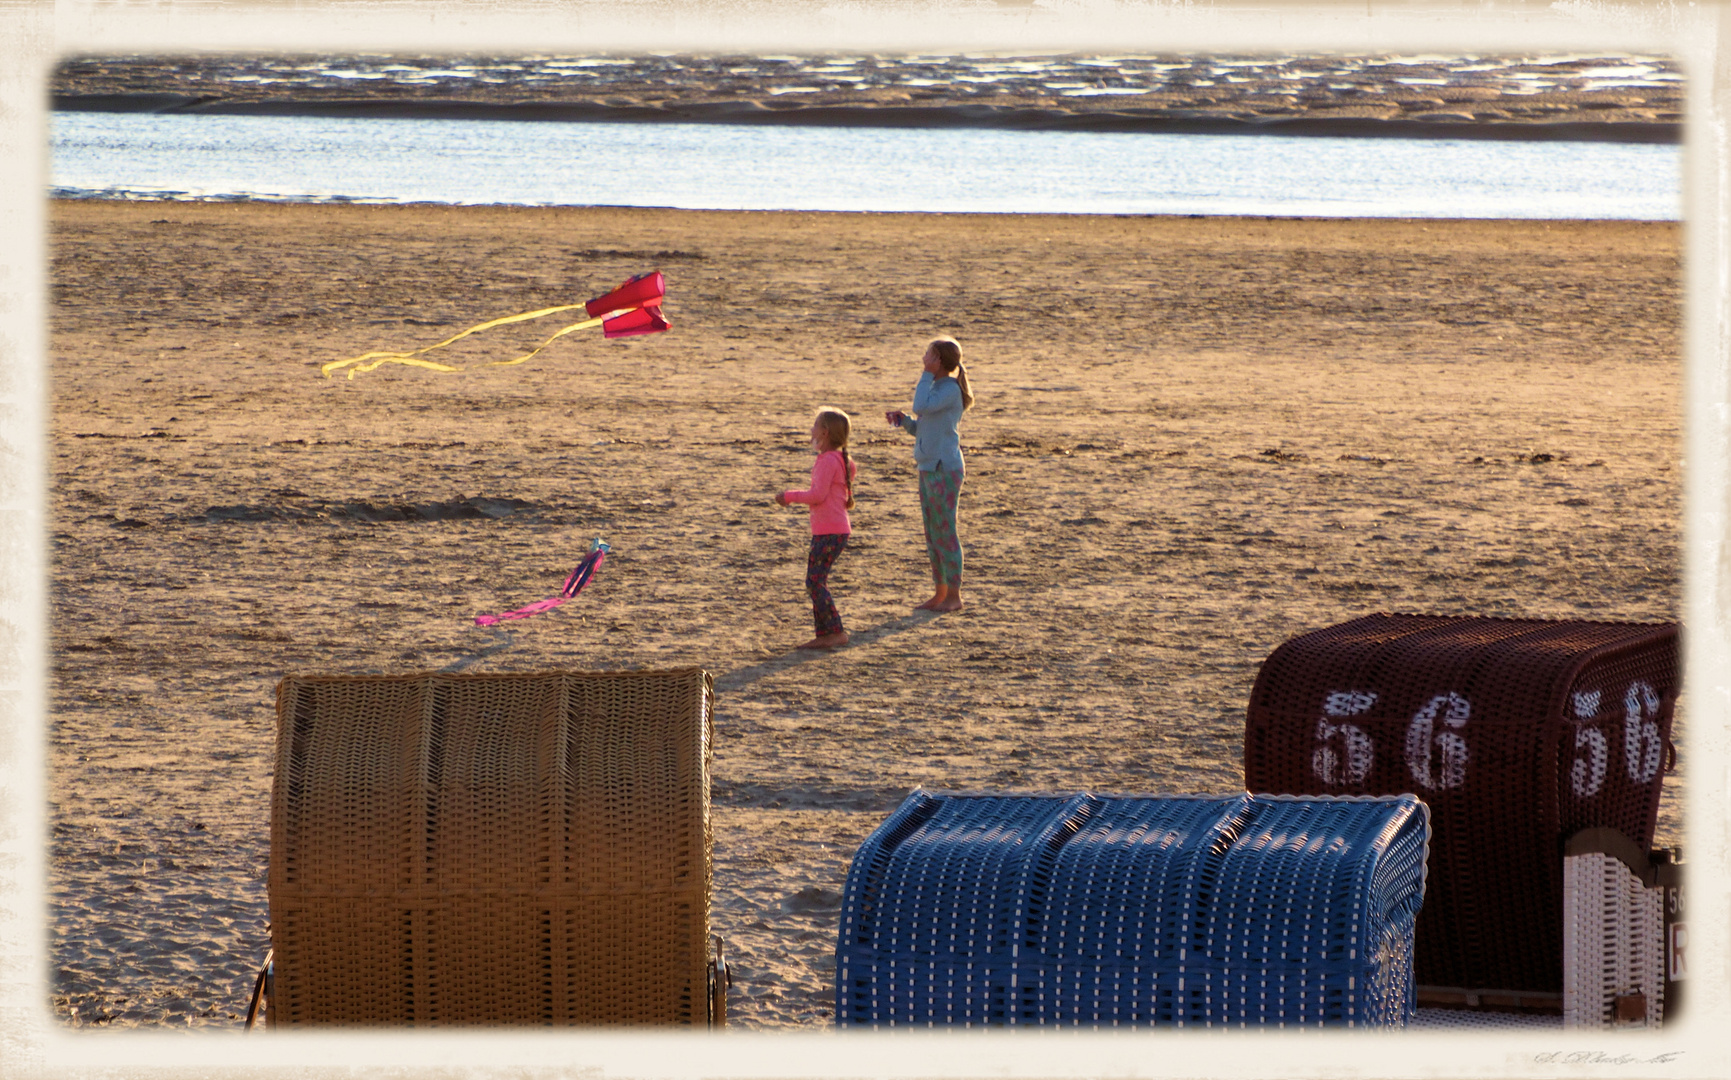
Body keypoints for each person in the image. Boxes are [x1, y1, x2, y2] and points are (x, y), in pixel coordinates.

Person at [885, 337, 974, 612]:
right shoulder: (937, 389)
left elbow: (921, 406)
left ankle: (954, 596)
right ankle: (940, 592)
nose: (924, 359)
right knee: (933, 533)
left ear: (939, 361)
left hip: (944, 469)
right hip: (928, 467)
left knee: (946, 532)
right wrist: (906, 423)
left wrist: (924, 375)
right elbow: (923, 424)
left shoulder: (947, 390)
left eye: (928, 356)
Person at [774, 407, 859, 649]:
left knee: (815, 582)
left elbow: (817, 495)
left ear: (825, 433)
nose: (811, 430)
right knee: (815, 581)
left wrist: (788, 496)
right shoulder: (841, 460)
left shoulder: (828, 460)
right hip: (835, 529)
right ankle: (824, 634)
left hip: (830, 531)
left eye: (815, 426)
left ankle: (835, 631)